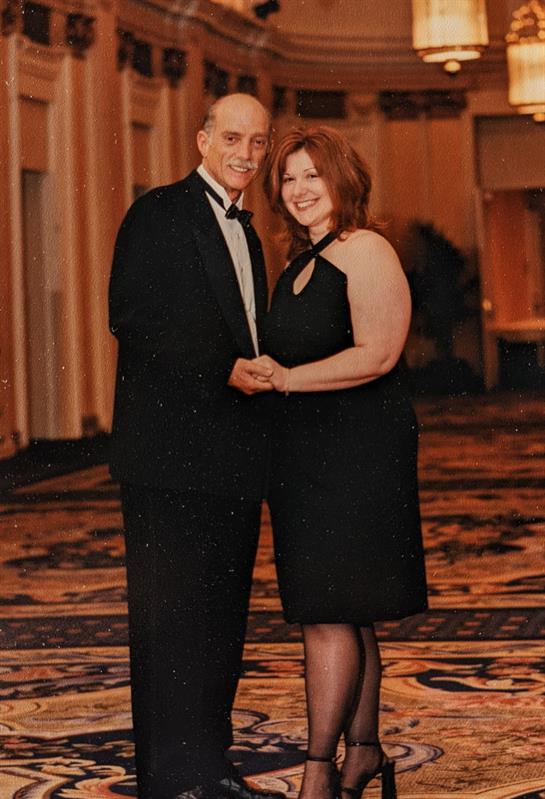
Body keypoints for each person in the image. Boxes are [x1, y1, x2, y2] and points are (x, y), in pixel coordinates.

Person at [108, 93, 282, 799]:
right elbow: (132, 315)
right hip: (167, 459)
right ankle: (166, 778)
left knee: (221, 618)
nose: (246, 152)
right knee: (168, 618)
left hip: (232, 458)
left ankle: (210, 766)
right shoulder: (159, 212)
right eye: (233, 137)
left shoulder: (252, 233)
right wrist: (222, 368)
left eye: (259, 142)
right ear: (203, 137)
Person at [258, 126, 428, 799]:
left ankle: (317, 772)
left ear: (342, 182)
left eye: (312, 176)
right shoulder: (299, 262)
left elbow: (378, 353)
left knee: (328, 611)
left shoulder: (365, 249)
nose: (298, 189)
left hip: (357, 453)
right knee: (344, 607)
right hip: (305, 454)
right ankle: (363, 752)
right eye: (288, 178)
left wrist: (283, 381)